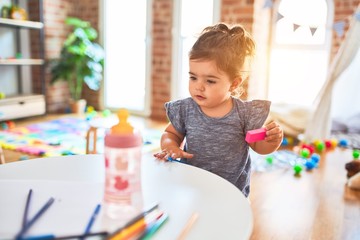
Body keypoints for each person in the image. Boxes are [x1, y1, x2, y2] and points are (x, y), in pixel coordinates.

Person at [154, 23, 283, 197]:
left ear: (234, 83)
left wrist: (272, 141)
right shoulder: (185, 109)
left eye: (210, 81)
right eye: (193, 77)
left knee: (228, 222)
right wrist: (170, 146)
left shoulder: (244, 113)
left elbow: (258, 146)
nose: (198, 87)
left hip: (231, 191)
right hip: (193, 184)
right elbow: (171, 134)